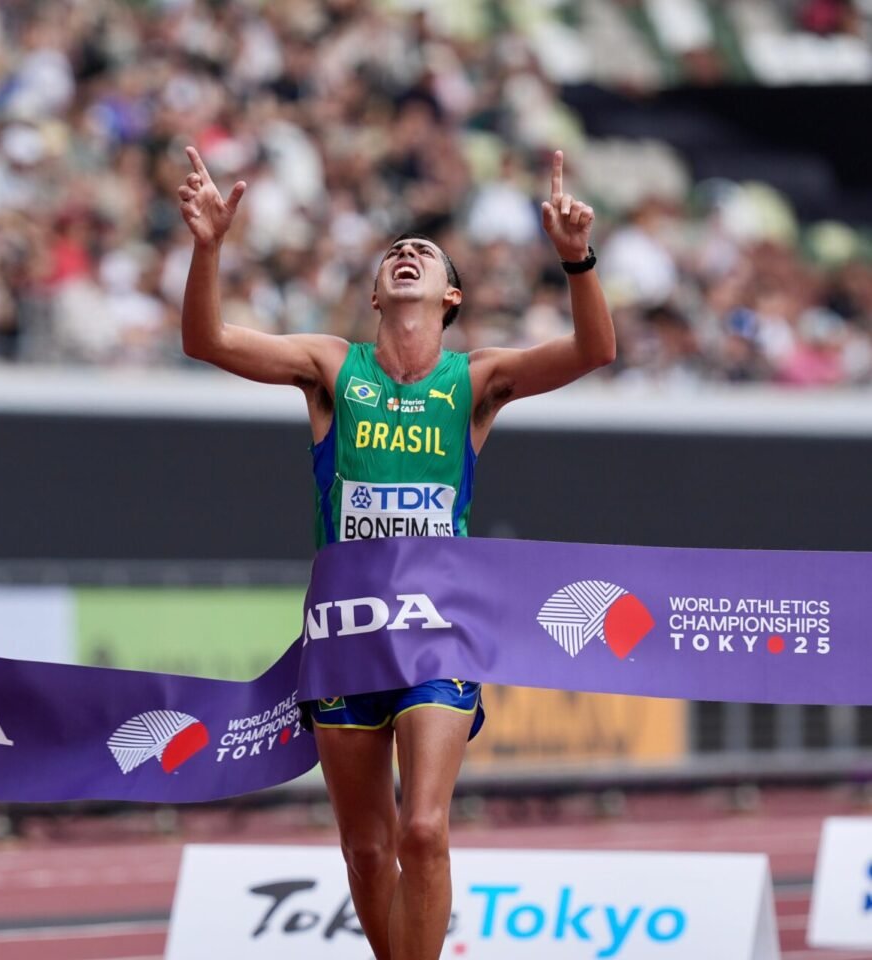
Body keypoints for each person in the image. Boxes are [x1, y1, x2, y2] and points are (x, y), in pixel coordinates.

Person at [177, 144, 615, 960]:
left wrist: (575, 261)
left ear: (449, 295)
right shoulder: (331, 369)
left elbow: (594, 352)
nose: (405, 253)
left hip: (437, 625)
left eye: (424, 254)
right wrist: (208, 248)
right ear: (376, 292)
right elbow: (205, 340)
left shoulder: (476, 379)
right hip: (344, 631)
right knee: (367, 848)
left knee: (422, 828)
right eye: (392, 254)